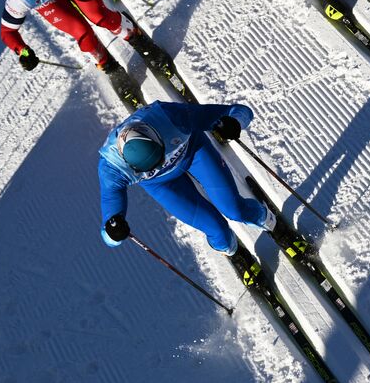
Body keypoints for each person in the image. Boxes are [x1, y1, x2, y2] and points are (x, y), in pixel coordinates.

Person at [98, 100, 288, 281]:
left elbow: (240, 111)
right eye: (152, 166)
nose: (162, 163)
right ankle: (234, 253)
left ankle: (271, 222)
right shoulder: (112, 168)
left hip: (193, 152)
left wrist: (234, 122)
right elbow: (108, 230)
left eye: (160, 155)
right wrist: (114, 232)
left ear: (158, 137)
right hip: (161, 183)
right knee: (216, 228)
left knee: (234, 209)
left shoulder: (171, 116)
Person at [0, 0, 161, 105]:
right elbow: (7, 31)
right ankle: (109, 67)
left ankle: (135, 36)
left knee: (99, 16)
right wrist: (22, 51)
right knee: (82, 33)